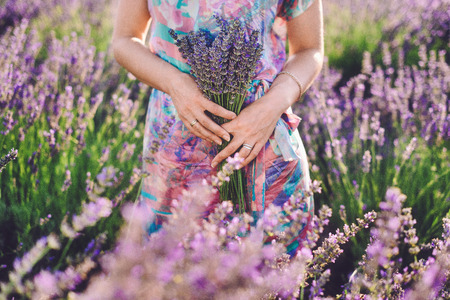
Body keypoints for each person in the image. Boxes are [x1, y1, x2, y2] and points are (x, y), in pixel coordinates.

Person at [112, 0, 323, 256]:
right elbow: (125, 40)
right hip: (178, 143)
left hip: (263, 136)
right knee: (176, 272)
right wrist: (175, 83)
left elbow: (309, 49)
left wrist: (274, 103)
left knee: (271, 273)